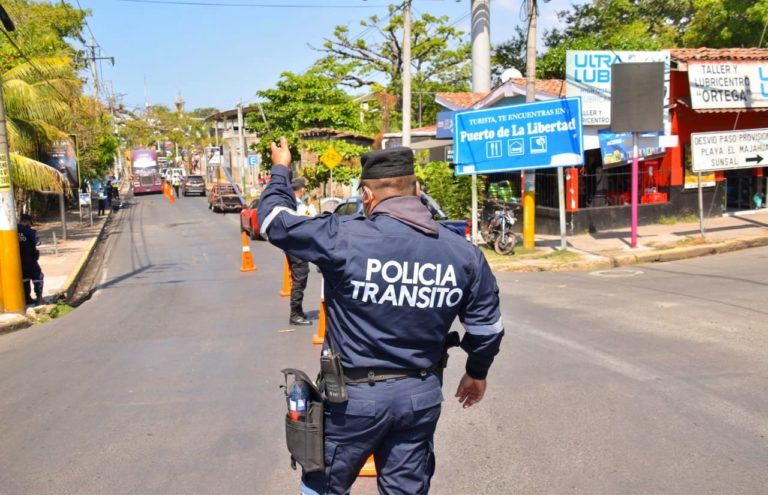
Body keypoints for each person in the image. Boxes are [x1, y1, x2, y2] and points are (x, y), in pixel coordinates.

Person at [258, 137, 504, 495]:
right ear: (417, 190)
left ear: (367, 196)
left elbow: (273, 222)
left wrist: (281, 168)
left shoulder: (342, 237)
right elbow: (487, 328)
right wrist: (477, 372)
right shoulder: (463, 253)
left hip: (352, 401)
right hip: (420, 396)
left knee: (321, 488)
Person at [284, 177, 314, 326]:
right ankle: (295, 314)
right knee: (300, 279)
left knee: (298, 278)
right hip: (298, 246)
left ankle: (298, 311)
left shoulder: (289, 203)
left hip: (291, 245)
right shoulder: (300, 206)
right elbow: (309, 220)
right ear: (301, 190)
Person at [18, 214, 44, 305]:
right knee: (38, 276)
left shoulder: (13, 230)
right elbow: (38, 242)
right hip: (30, 260)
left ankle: (27, 298)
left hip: (18, 261)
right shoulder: (30, 231)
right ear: (28, 221)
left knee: (24, 279)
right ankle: (39, 297)